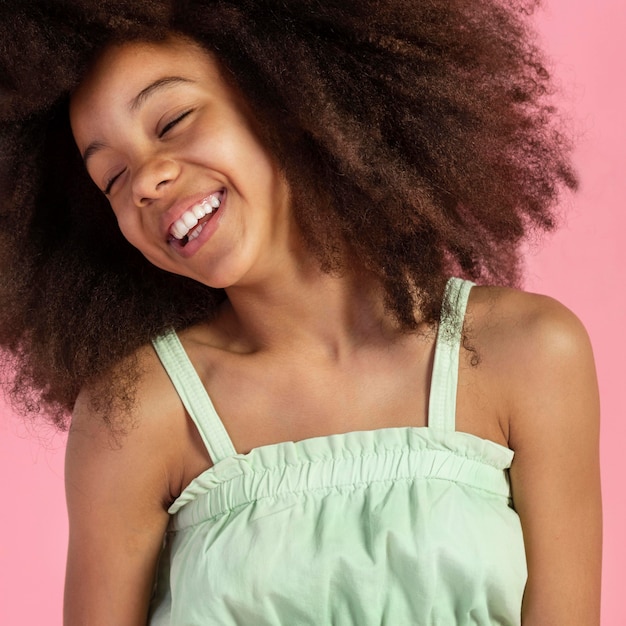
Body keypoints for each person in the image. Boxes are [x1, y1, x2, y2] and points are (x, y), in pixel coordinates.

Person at [0, 0, 601, 624]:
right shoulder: (137, 415)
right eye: (112, 177)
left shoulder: (530, 353)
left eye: (173, 119)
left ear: (279, 92)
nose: (145, 182)